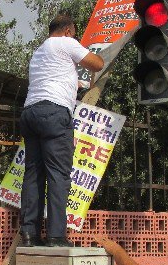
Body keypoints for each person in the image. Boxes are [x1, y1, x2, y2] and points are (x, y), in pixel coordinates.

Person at [19, 14, 104, 248]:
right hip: (54, 113)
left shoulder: (39, 52)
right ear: (68, 31)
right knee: (58, 174)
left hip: (30, 112)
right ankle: (56, 236)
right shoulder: (66, 42)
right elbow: (97, 64)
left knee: (34, 174)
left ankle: (29, 234)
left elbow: (56, 78)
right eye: (74, 34)